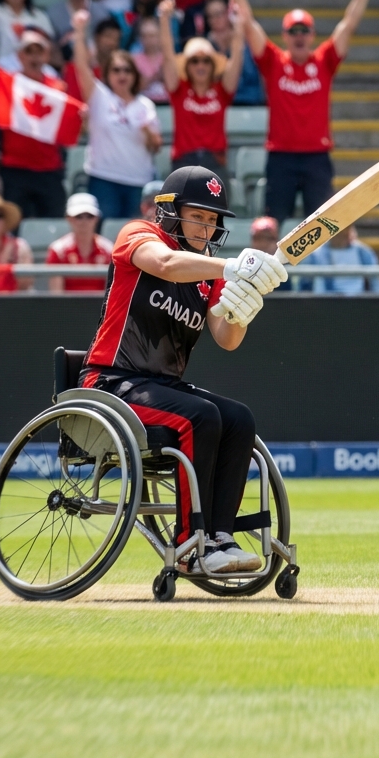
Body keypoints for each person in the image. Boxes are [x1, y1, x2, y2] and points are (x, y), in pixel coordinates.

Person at [78, 165, 287, 573]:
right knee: (200, 417)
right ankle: (191, 544)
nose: (206, 228)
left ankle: (220, 538)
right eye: (198, 216)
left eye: (212, 221)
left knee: (240, 419)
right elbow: (168, 265)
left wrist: (245, 306)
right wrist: (230, 268)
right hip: (111, 381)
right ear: (169, 210)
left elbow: (226, 339)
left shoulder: (207, 271)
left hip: (160, 388)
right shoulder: (138, 235)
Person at [229, 0, 375, 221]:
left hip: (317, 157)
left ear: (312, 35)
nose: (299, 36)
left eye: (304, 30)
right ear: (284, 36)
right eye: (293, 31)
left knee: (320, 226)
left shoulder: (324, 61)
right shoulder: (273, 62)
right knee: (273, 224)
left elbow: (348, 25)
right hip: (281, 156)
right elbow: (249, 23)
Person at [71, 8, 161, 219]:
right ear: (108, 74)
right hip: (103, 179)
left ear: (134, 74)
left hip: (138, 182)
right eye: (116, 70)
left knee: (136, 240)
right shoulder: (98, 95)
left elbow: (156, 146)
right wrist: (79, 30)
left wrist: (147, 131)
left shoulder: (145, 105)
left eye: (127, 70)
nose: (122, 75)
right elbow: (81, 66)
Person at [0, 29, 70, 218]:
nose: (34, 57)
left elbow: (70, 125)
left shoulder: (57, 88)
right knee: (12, 227)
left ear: (46, 55)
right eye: (28, 51)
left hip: (49, 169)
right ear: (20, 56)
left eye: (39, 51)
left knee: (54, 224)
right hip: (14, 168)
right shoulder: (8, 83)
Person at [157, 0, 243, 177]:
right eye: (194, 61)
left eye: (206, 61)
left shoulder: (222, 90)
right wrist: (164, 19)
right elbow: (167, 54)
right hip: (183, 163)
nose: (200, 66)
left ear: (213, 66)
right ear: (187, 66)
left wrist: (238, 24)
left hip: (215, 163)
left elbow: (236, 57)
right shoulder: (178, 89)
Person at [46, 192, 114, 293]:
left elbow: (110, 294)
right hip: (66, 308)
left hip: (100, 308)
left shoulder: (110, 250)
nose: (84, 221)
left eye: (89, 216)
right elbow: (57, 296)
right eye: (79, 216)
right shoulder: (57, 250)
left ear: (97, 219)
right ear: (69, 218)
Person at [301, 225, 379, 295]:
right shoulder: (317, 255)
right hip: (329, 305)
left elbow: (377, 286)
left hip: (359, 305)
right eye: (343, 229)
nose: (347, 233)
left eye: (349, 228)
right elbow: (315, 290)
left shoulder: (364, 252)